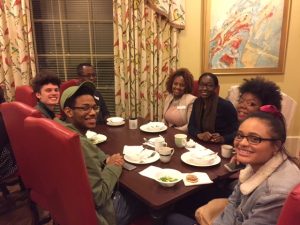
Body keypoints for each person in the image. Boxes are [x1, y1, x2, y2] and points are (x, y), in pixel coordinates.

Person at [166, 105, 300, 225]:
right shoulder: (258, 163)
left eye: (255, 139)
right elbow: (233, 203)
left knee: (172, 218)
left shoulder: (274, 193)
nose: (242, 143)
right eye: (240, 136)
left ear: (276, 145)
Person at [57, 81, 129, 225]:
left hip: (68, 207)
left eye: (95, 107)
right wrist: (114, 165)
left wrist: (106, 159)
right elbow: (100, 197)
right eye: (85, 108)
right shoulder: (79, 144)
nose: (93, 112)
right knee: (152, 203)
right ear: (68, 111)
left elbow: (92, 150)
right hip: (100, 215)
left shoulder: (59, 128)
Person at [188, 73, 238, 144]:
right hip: (200, 145)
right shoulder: (197, 102)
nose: (204, 88)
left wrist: (223, 138)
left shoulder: (225, 106)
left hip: (220, 146)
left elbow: (237, 132)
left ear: (216, 88)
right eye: (202, 85)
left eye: (209, 85)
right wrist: (199, 135)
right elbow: (191, 126)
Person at [163, 68, 196, 132]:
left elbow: (190, 125)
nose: (177, 87)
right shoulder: (169, 97)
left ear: (187, 86)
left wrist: (172, 131)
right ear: (171, 84)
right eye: (175, 84)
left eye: (182, 85)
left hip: (182, 136)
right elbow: (164, 119)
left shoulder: (191, 100)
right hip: (167, 133)